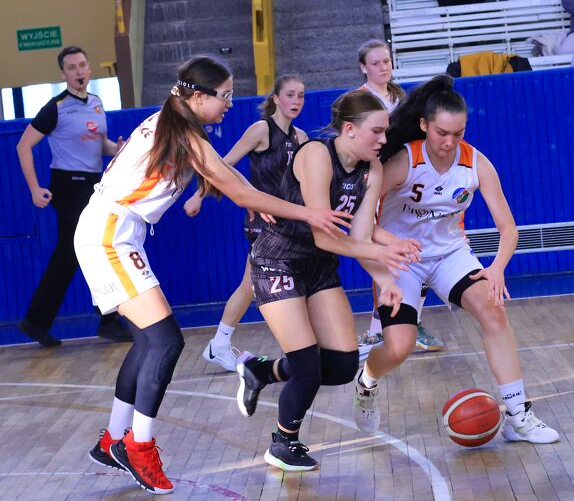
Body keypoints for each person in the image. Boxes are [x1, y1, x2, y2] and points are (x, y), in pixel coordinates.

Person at [76, 56, 353, 494]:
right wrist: (307, 212)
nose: (230, 102)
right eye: (224, 95)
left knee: (149, 341)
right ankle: (138, 447)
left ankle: (113, 438)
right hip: (109, 236)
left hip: (113, 230)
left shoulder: (173, 121)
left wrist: (252, 196)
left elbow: (224, 177)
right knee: (166, 342)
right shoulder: (183, 133)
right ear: (198, 96)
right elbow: (235, 187)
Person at [353, 75, 560, 446]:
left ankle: (518, 416)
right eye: (442, 133)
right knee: (399, 347)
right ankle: (366, 382)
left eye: (458, 133)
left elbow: (508, 228)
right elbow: (361, 219)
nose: (449, 142)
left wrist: (496, 269)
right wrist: (391, 244)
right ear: (424, 125)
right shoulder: (403, 161)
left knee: (494, 311)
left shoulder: (476, 163)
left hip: (449, 253)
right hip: (401, 259)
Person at [235, 89, 420, 471]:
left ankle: (261, 371)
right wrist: (381, 254)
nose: (383, 139)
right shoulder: (317, 154)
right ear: (349, 129)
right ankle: (283, 443)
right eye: (377, 131)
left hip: (318, 266)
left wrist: (386, 280)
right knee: (307, 366)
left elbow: (361, 234)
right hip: (277, 260)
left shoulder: (372, 169)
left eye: (385, 132)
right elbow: (324, 235)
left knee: (340, 366)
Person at [183, 74, 308, 372]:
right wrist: (198, 196)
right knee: (262, 285)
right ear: (276, 98)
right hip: (262, 221)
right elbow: (222, 165)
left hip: (287, 221)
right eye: (290, 95)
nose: (296, 101)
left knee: (254, 284)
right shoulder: (261, 130)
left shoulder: (301, 137)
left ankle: (222, 344)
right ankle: (295, 350)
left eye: (301, 96)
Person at [15, 45, 132, 347]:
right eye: (72, 67)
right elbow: (23, 146)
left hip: (92, 185)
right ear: (64, 74)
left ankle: (35, 321)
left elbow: (99, 144)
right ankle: (109, 319)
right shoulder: (55, 107)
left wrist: (116, 149)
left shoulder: (96, 103)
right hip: (68, 187)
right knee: (98, 247)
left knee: (68, 255)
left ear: (89, 68)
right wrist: (34, 188)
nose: (79, 71)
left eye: (82, 65)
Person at [357, 39, 446, 358]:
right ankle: (376, 331)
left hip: (406, 184)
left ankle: (413, 321)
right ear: (363, 67)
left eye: (387, 61)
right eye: (376, 62)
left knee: (418, 248)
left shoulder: (401, 98)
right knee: (382, 253)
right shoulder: (360, 101)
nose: (383, 67)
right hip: (375, 182)